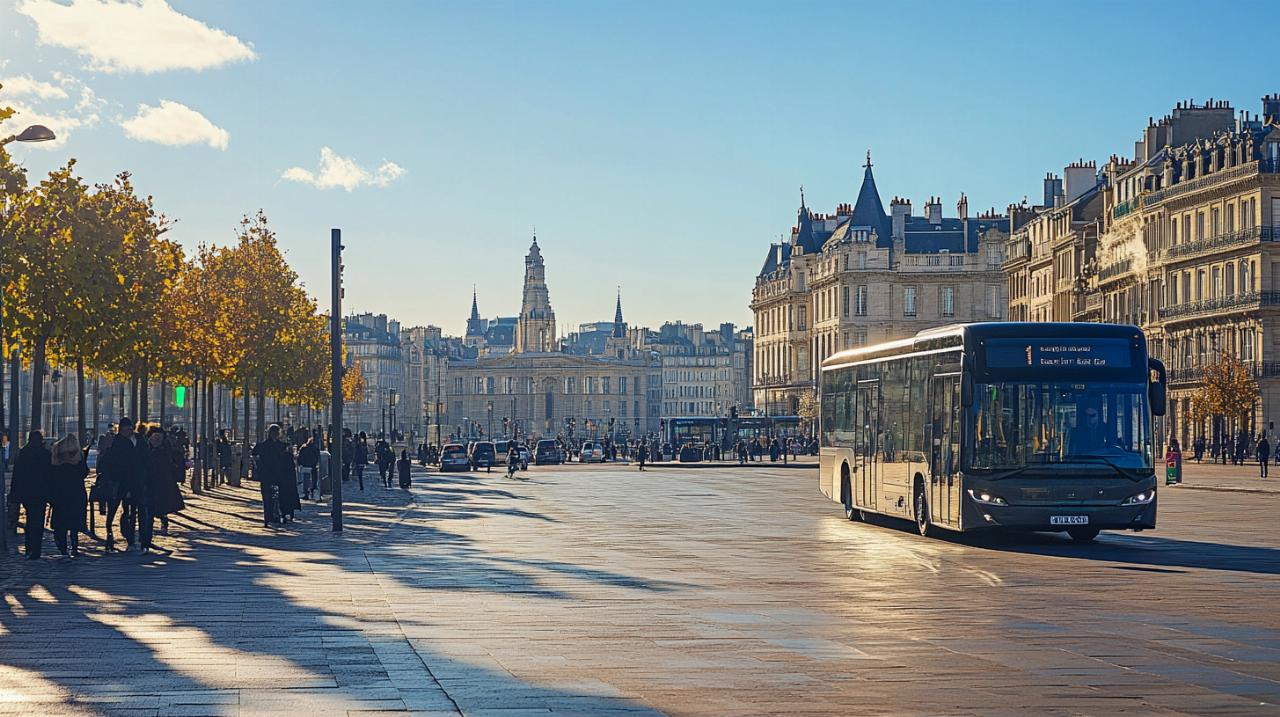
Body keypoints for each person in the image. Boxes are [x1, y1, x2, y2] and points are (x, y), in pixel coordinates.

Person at [48, 433, 88, 558]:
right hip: (76, 494)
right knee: (74, 523)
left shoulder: (57, 464)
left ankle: (63, 547)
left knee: (61, 524)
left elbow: (51, 479)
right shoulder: (77, 461)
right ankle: (74, 546)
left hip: (60, 496)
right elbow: (84, 472)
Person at [12, 431, 51, 559]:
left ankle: (29, 547)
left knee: (30, 520)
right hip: (41, 492)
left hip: (27, 492)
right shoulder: (45, 454)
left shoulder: (24, 453)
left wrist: (16, 493)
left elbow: (17, 475)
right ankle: (36, 549)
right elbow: (50, 475)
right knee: (38, 521)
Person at [146, 427, 185, 545]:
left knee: (161, 504)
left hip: (163, 481)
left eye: (159, 438)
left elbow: (174, 462)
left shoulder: (167, 449)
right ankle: (149, 527)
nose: (157, 440)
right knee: (150, 505)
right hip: (149, 481)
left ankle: (162, 520)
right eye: (155, 437)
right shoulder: (145, 448)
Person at [253, 424, 297, 526]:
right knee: (283, 494)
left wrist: (259, 465)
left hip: (266, 475)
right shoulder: (282, 446)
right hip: (279, 475)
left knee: (266, 496)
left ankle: (268, 516)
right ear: (278, 434)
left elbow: (254, 456)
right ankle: (282, 513)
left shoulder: (261, 446)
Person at [298, 436, 320, 500]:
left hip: (306, 466)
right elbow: (317, 457)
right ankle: (313, 491)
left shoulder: (303, 448)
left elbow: (300, 457)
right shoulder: (315, 449)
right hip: (313, 466)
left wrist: (300, 463)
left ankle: (306, 493)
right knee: (314, 479)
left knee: (306, 480)